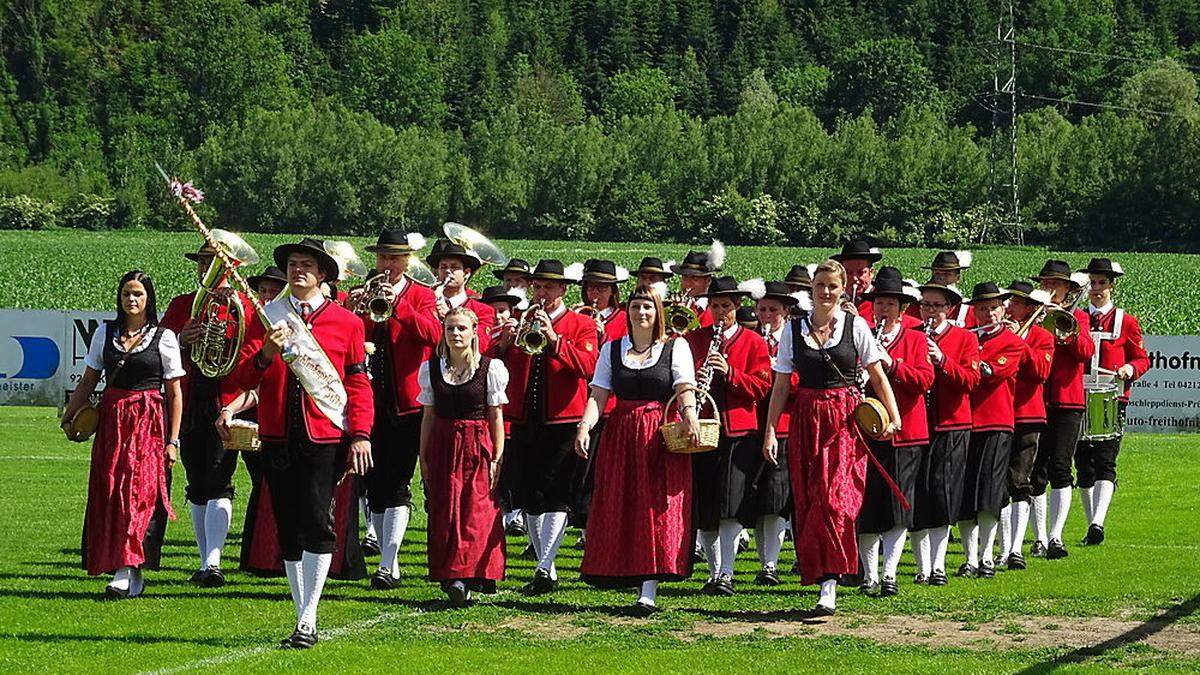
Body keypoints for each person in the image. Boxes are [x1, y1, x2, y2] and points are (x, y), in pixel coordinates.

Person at [231, 237, 374, 649]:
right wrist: (265, 355)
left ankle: (308, 616)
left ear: (323, 273)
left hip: (324, 436)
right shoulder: (268, 316)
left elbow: (357, 384)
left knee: (318, 523)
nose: (298, 271)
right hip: (277, 435)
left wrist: (361, 434)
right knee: (289, 528)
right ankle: (301, 614)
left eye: (307, 264)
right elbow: (241, 377)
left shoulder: (347, 323)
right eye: (293, 264)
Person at [762, 260, 901, 616]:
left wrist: (894, 416)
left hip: (843, 421)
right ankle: (822, 576)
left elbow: (877, 375)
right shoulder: (794, 331)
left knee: (837, 500)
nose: (826, 292)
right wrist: (771, 431)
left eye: (833, 286)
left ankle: (832, 581)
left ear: (842, 290)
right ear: (812, 288)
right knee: (810, 502)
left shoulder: (856, 327)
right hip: (807, 419)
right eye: (820, 285)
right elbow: (780, 387)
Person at [574, 283, 701, 615]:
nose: (641, 312)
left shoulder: (676, 348)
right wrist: (585, 425)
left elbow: (685, 387)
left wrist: (690, 415)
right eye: (635, 306)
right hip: (621, 435)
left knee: (655, 509)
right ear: (627, 311)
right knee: (624, 505)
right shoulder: (613, 350)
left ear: (657, 312)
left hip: (658, 434)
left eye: (648, 307)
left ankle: (649, 587)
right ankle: (622, 571)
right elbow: (598, 394)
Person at [63, 270, 184, 599]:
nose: (132, 299)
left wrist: (173, 441)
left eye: (139, 294)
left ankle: (126, 568)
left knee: (140, 495)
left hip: (149, 424)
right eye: (127, 293)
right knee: (112, 491)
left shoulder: (164, 337)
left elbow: (174, 394)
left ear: (149, 299)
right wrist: (70, 414)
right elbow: (88, 382)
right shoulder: (105, 334)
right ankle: (128, 568)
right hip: (113, 424)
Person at [494, 259, 600, 595]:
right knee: (532, 495)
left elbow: (589, 366)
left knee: (557, 494)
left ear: (563, 290)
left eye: (549, 287)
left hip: (564, 420)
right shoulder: (522, 321)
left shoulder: (581, 324)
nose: (542, 293)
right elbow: (503, 367)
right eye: (538, 287)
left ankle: (544, 565)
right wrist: (504, 345)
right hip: (526, 419)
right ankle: (547, 568)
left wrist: (555, 340)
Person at [346, 230, 442, 590]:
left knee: (398, 481)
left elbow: (434, 335)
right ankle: (391, 558)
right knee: (374, 484)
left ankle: (387, 563)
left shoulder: (421, 295)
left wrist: (399, 307)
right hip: (369, 402)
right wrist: (354, 311)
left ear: (406, 261)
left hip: (407, 405)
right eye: (383, 258)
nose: (387, 265)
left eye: (395, 258)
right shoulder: (366, 292)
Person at [160, 242, 256, 588]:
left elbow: (253, 355)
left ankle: (213, 560)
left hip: (224, 398)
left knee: (220, 478)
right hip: (189, 399)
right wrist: (180, 340)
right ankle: (205, 560)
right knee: (197, 480)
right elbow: (157, 350)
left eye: (213, 263)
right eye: (202, 262)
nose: (205, 269)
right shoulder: (182, 305)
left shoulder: (243, 306)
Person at [685, 277, 772, 596]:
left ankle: (727, 572)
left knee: (731, 503)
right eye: (715, 306)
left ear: (737, 307)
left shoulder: (753, 342)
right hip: (702, 431)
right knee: (706, 504)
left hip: (739, 432)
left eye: (726, 306)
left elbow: (762, 388)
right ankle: (713, 570)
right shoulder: (695, 339)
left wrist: (730, 373)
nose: (720, 312)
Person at [417, 307, 510, 606]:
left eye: (461, 329)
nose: (455, 334)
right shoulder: (432, 369)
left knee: (476, 510)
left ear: (473, 332)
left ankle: (468, 574)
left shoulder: (489, 368)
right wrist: (423, 455)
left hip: (476, 444)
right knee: (446, 508)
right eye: (450, 329)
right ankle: (451, 574)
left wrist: (497, 456)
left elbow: (496, 416)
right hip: (444, 444)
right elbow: (428, 416)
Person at [856, 269, 933, 598]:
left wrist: (892, 365)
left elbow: (925, 381)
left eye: (890, 304)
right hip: (866, 433)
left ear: (902, 309)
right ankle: (869, 575)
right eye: (879, 303)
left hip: (906, 435)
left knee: (898, 507)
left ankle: (890, 574)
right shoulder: (861, 336)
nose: (884, 310)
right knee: (866, 506)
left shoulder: (915, 338)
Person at [1074, 259, 1149, 545]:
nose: (1096, 289)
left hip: (1111, 396)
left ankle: (1098, 521)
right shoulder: (1077, 317)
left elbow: (1142, 358)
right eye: (1092, 283)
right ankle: (1090, 521)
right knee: (1082, 463)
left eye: (1101, 283)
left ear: (1111, 285)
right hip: (1078, 395)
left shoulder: (1125, 321)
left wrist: (1130, 369)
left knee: (1106, 459)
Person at [910, 282, 980, 588]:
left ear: (949, 309)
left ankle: (938, 565)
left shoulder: (964, 338)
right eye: (926, 305)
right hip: (917, 426)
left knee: (941, 494)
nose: (931, 312)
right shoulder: (912, 336)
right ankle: (921, 567)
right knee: (915, 496)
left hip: (951, 425)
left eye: (937, 306)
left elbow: (971, 379)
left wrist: (942, 360)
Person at [957, 283, 1023, 579]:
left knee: (989, 494)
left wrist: (966, 364)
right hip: (964, 423)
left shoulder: (1013, 342)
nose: (988, 313)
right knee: (964, 494)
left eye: (993, 307)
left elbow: (991, 373)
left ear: (1003, 309)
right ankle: (969, 557)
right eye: (982, 308)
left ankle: (986, 556)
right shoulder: (965, 338)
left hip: (996, 423)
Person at [1029, 260, 1094, 560]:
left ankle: (1056, 535)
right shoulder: (1032, 314)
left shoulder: (1078, 315)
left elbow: (1085, 352)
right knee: (1036, 470)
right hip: (1037, 400)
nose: (1051, 288)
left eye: (1057, 284)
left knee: (1060, 467)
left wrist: (1064, 326)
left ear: (1068, 288)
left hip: (1068, 401)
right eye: (1046, 283)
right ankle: (1039, 537)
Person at [998, 281, 1054, 570]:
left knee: (1020, 481)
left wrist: (1017, 342)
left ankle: (1016, 548)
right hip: (1001, 413)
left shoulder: (1043, 337)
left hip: (1028, 415)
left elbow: (1041, 371)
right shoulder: (1000, 333)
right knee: (1000, 484)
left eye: (1016, 303)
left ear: (1030, 309)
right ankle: (1003, 546)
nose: (1009, 308)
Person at [750, 281, 801, 585]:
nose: (766, 315)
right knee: (758, 501)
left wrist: (777, 374)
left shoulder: (794, 340)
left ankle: (774, 562)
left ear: (785, 311)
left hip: (784, 426)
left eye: (773, 310)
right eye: (762, 309)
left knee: (778, 498)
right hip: (753, 426)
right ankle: (765, 563)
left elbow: (801, 381)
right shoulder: (752, 339)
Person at [427, 238, 496, 351]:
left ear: (466, 273)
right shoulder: (427, 302)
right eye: (443, 267)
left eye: (454, 267)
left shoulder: (482, 310)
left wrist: (448, 317)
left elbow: (481, 346)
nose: (448, 271)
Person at [906, 251, 977, 328]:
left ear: (958, 278)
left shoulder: (966, 310)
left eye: (947, 274)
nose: (941, 278)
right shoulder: (915, 306)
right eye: (937, 273)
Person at [671, 241, 725, 329]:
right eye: (684, 278)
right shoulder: (674, 305)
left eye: (694, 279)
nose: (687, 283)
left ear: (708, 280)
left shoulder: (716, 307)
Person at [580, 259, 629, 342]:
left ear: (612, 290)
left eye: (602, 287)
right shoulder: (580, 315)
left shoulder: (625, 318)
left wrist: (603, 337)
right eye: (590, 286)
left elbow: (625, 350)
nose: (595, 291)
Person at [830, 240, 882, 316]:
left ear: (871, 273)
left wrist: (857, 321)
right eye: (849, 273)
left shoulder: (881, 301)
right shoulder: (833, 299)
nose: (854, 278)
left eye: (860, 272)